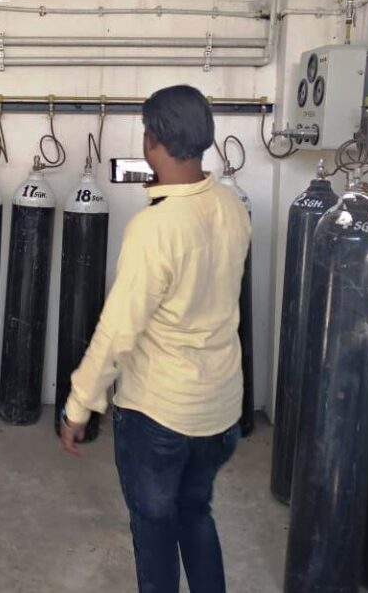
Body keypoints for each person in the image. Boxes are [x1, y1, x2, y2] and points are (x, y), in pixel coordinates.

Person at [59, 85, 251, 593]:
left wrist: (79, 406)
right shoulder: (231, 206)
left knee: (155, 527)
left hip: (160, 416)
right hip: (219, 412)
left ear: (152, 140)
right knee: (195, 513)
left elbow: (117, 330)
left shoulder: (155, 228)